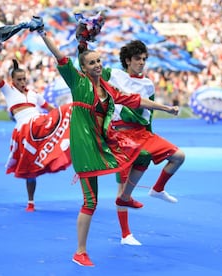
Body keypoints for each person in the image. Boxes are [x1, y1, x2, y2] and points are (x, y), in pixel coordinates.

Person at [36, 17, 180, 267]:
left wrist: (165, 107)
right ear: (83, 67)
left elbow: (135, 100)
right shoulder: (78, 83)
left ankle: (125, 198)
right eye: (92, 63)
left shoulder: (107, 88)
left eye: (99, 61)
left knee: (139, 154)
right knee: (90, 201)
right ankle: (80, 251)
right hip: (85, 147)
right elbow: (60, 56)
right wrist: (41, 32)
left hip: (105, 143)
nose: (97, 65)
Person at [102, 40, 186, 246]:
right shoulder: (113, 74)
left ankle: (157, 189)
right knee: (122, 187)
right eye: (138, 59)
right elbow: (89, 67)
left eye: (144, 59)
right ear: (128, 60)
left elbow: (147, 115)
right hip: (119, 135)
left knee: (178, 156)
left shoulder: (148, 84)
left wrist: (151, 135)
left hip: (142, 133)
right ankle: (125, 235)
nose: (142, 63)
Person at [0, 42, 72, 212]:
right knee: (30, 169)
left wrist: (63, 112)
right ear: (12, 80)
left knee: (67, 111)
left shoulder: (35, 94)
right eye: (18, 80)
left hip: (39, 123)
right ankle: (31, 202)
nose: (22, 82)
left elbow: (51, 110)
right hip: (24, 130)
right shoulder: (8, 91)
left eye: (24, 79)